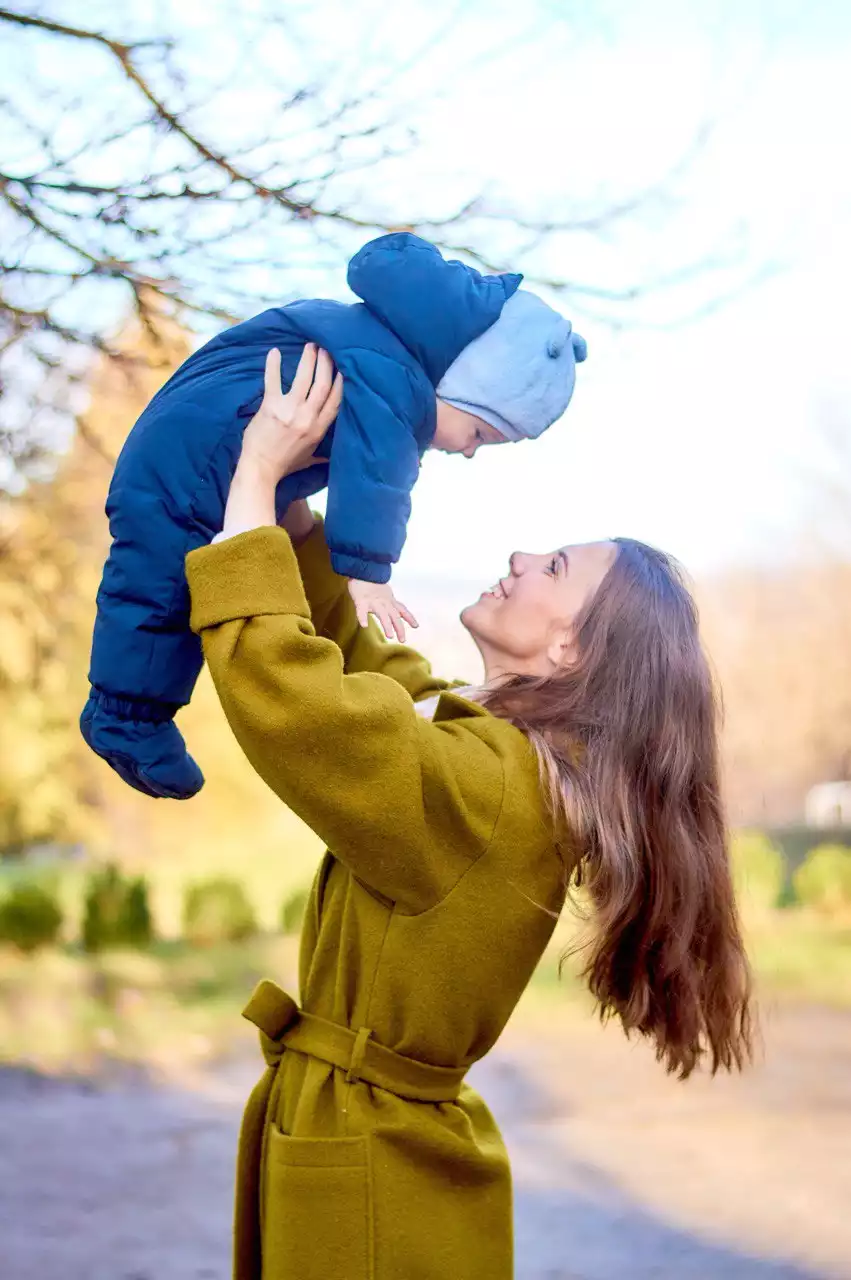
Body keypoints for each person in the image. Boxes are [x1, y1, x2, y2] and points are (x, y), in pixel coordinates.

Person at [183, 348, 754, 1280]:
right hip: (378, 1147)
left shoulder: (490, 789)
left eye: (553, 566)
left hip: (372, 1171)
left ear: (570, 648)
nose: (520, 558)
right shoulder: (504, 764)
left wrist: (253, 477)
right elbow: (362, 664)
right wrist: (289, 510)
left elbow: (296, 701)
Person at [80, 232, 587, 801]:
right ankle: (126, 718)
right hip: (195, 465)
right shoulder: (395, 384)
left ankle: (132, 714)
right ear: (463, 385)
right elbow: (376, 478)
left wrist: (270, 486)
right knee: (158, 592)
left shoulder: (373, 346)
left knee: (158, 584)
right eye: (479, 434)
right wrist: (367, 572)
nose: (469, 451)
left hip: (195, 448)